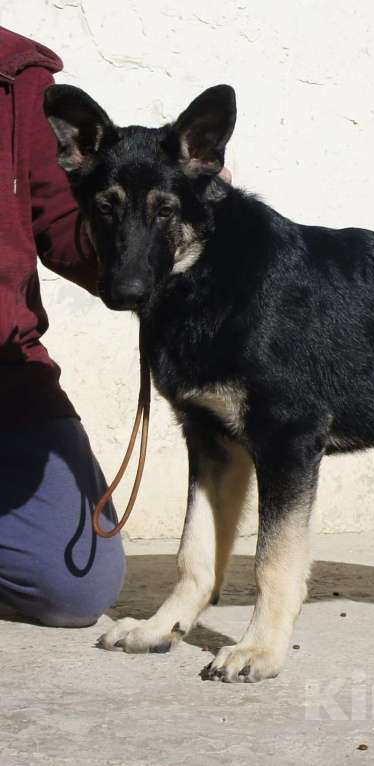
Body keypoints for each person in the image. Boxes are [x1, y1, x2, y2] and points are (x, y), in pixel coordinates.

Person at [0, 27, 125, 627]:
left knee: (76, 587)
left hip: (5, 368)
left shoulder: (16, 75)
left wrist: (145, 226)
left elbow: (66, 228)